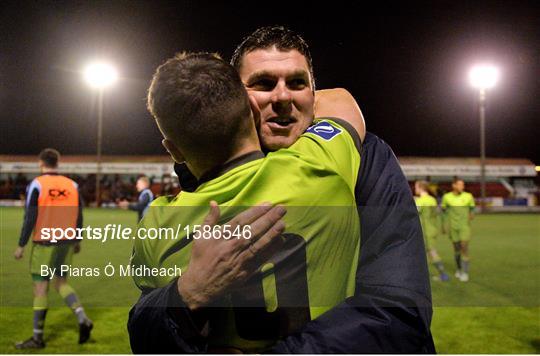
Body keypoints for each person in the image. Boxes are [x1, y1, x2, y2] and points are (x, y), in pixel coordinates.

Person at [166, 26, 433, 353]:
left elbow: (398, 313)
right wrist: (183, 297)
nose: (282, 97)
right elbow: (148, 324)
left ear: (313, 95)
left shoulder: (366, 158)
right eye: (263, 83)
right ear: (234, 97)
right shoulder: (200, 177)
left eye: (297, 83)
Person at [128, 51, 365, 352]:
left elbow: (153, 325)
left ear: (173, 151)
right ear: (252, 110)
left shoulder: (156, 224)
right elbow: (341, 100)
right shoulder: (318, 168)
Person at [13, 148, 93, 349]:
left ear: (41, 163)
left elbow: (30, 217)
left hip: (45, 243)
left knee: (40, 288)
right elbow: (79, 215)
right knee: (61, 284)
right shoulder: (72, 185)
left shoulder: (37, 184)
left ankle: (37, 338)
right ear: (58, 163)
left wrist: (21, 245)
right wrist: (77, 240)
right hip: (66, 241)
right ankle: (83, 318)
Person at [441, 177, 476, 282]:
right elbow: (443, 212)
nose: (462, 187)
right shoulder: (447, 197)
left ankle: (465, 273)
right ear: (454, 185)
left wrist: (472, 214)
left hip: (464, 227)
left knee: (464, 248)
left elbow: (472, 209)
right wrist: (443, 225)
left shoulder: (468, 196)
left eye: (463, 185)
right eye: (460, 184)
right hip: (453, 228)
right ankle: (459, 269)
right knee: (456, 250)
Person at [415, 180, 450, 281]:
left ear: (421, 188)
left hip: (425, 231)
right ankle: (422, 276)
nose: (415, 189)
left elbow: (412, 215)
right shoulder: (432, 200)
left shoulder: (420, 201)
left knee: (431, 252)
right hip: (433, 229)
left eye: (416, 187)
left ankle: (443, 274)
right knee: (424, 253)